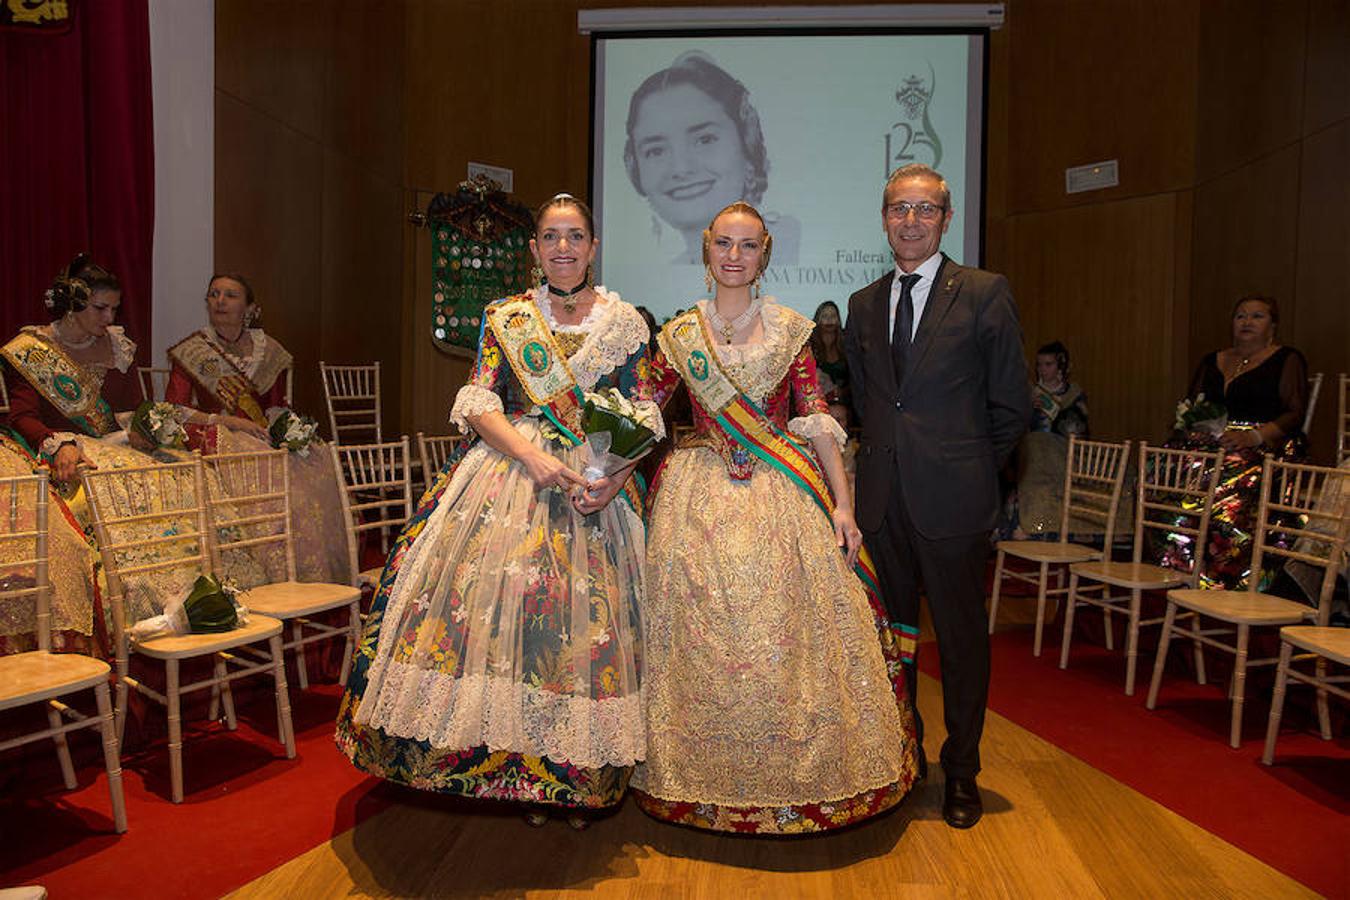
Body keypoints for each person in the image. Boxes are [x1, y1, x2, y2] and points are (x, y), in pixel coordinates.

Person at [335, 195, 658, 829]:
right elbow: (480, 402)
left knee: (582, 633)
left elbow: (643, 414)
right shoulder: (505, 316)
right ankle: (517, 775)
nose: (563, 248)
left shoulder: (627, 323)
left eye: (576, 236)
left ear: (593, 247)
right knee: (509, 621)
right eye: (550, 237)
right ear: (534, 250)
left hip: (595, 485)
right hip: (512, 474)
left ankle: (577, 776)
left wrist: (615, 481)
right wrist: (532, 459)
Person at [631, 201, 918, 835]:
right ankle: (691, 781)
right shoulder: (679, 335)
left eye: (749, 246)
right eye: (724, 245)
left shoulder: (790, 330)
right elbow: (643, 416)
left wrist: (842, 505)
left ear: (765, 254)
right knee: (695, 636)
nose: (734, 257)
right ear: (707, 250)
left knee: (787, 632)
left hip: (780, 496)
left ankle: (799, 781)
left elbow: (817, 420)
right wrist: (603, 469)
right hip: (696, 497)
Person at [844, 164, 1029, 829]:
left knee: (959, 644)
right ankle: (906, 755)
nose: (912, 220)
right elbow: (873, 402)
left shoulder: (983, 293)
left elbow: (1012, 405)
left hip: (954, 504)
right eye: (900, 208)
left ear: (946, 219)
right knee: (891, 644)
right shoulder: (864, 303)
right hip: (882, 503)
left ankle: (962, 771)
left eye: (926, 209)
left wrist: (970, 471)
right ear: (885, 217)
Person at [165, 273, 351, 584]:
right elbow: (175, 408)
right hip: (215, 432)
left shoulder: (269, 351)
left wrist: (288, 432)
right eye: (214, 294)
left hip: (259, 431)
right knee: (264, 465)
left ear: (250, 308)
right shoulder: (192, 350)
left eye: (230, 295)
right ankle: (271, 567)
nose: (220, 301)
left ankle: (307, 568)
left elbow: (275, 406)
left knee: (314, 456)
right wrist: (230, 422)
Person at [1169, 295, 1309, 590]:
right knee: (1162, 471)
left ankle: (1225, 577)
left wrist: (1253, 436)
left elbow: (1295, 413)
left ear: (1273, 325)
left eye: (1257, 316)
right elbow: (1194, 404)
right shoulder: (1212, 359)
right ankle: (1179, 565)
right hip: (1211, 444)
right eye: (1240, 316)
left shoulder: (1286, 359)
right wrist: (1196, 429)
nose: (1247, 322)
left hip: (1263, 444)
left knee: (1228, 481)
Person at [624, 51, 799, 265]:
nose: (681, 168)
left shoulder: (796, 245)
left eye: (704, 140)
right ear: (635, 169)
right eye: (656, 151)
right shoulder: (668, 270)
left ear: (747, 142)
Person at [1004, 340, 1090, 540]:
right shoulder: (1030, 393)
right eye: (1039, 364)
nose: (1042, 369)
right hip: (1031, 453)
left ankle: (1038, 529)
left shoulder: (1073, 395)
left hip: (1061, 453)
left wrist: (1058, 412)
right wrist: (1026, 408)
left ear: (1061, 366)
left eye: (1048, 364)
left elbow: (1079, 431)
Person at [810, 301, 852, 416]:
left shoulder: (847, 344)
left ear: (838, 319)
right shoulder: (809, 345)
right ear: (817, 319)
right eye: (824, 316)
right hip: (815, 403)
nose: (829, 320)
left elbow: (854, 376)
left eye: (833, 316)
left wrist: (843, 392)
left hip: (844, 404)